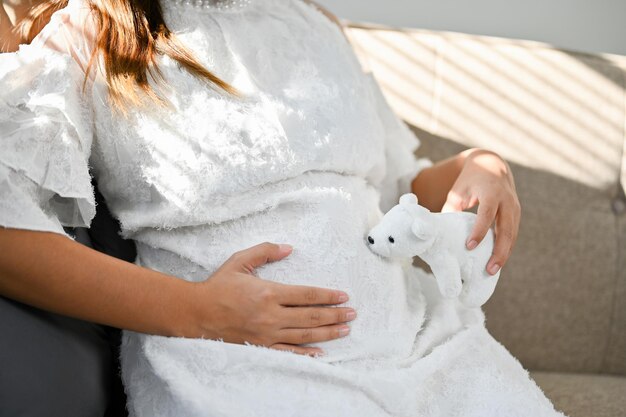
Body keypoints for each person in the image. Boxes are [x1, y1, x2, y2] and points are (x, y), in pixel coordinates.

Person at [0, 1, 562, 416]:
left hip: (430, 352)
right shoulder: (85, 37)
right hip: (243, 369)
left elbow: (400, 182)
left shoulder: (313, 20)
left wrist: (483, 164)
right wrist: (200, 311)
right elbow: (9, 236)